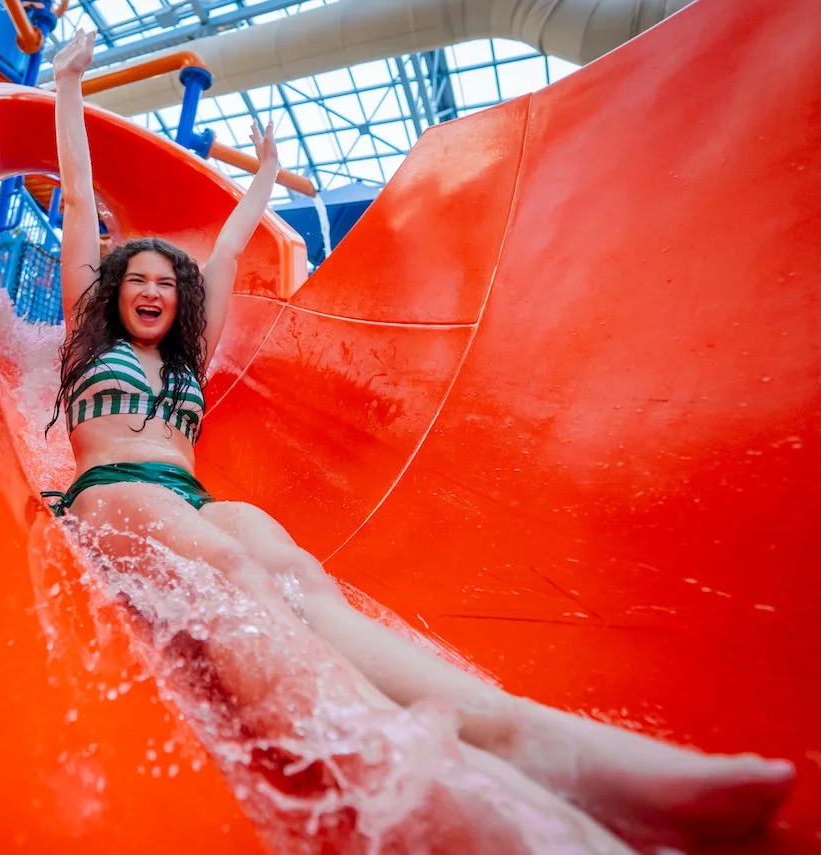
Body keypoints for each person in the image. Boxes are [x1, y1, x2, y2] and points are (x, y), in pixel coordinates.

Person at [43, 29, 795, 850]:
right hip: (111, 491)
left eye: (164, 282)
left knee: (296, 573)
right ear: (112, 291)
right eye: (137, 279)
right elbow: (81, 202)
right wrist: (70, 85)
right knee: (230, 572)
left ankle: (519, 734)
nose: (151, 289)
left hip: (192, 496)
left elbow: (226, 248)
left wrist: (261, 175)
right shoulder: (92, 335)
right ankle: (426, 785)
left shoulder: (187, 353)